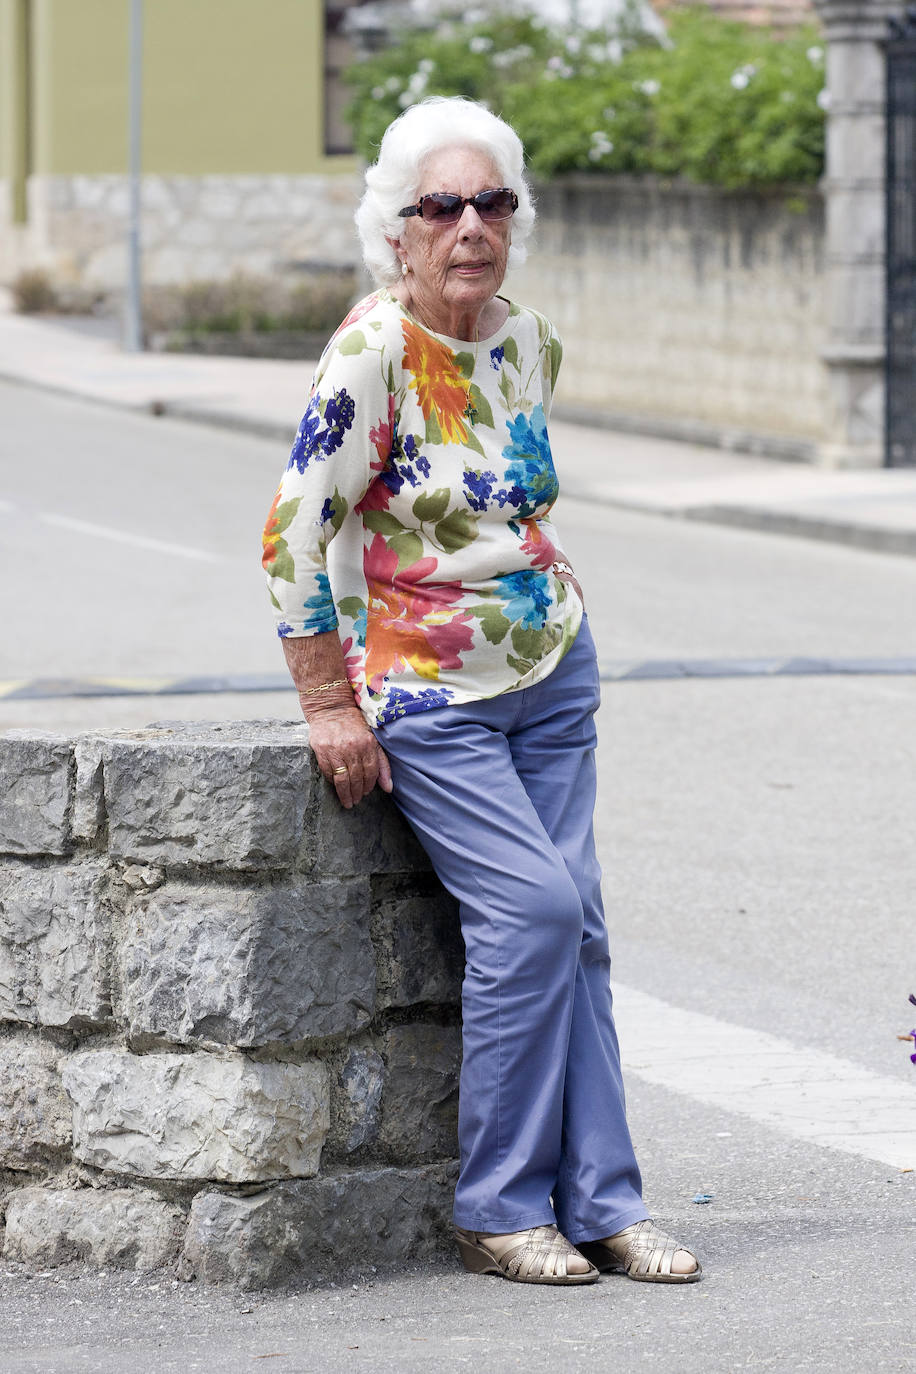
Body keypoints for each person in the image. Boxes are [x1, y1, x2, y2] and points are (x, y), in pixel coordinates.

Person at [262, 96, 700, 1286]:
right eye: (442, 206)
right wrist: (326, 702)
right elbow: (295, 540)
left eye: (491, 202)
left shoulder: (527, 342)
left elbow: (519, 506)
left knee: (586, 934)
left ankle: (606, 1202)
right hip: (429, 692)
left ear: (515, 220)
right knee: (534, 915)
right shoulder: (372, 351)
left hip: (554, 665)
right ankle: (497, 1204)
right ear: (396, 231)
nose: (470, 225)